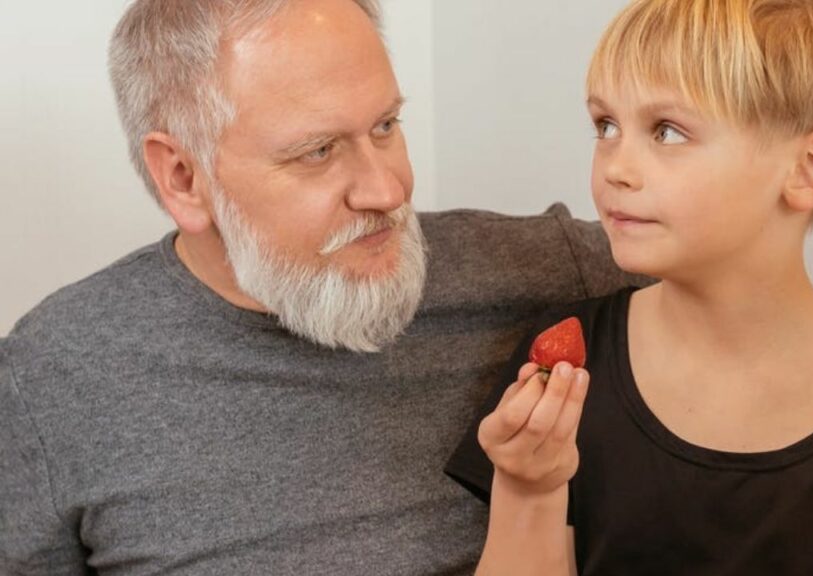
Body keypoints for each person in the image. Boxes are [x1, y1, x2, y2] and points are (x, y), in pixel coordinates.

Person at [0, 1, 644, 574]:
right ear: (182, 178)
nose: (389, 192)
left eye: (386, 126)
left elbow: (738, 259)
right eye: (317, 152)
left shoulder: (543, 270)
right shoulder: (52, 377)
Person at [445, 0, 813, 574]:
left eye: (667, 131)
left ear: (811, 169)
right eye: (606, 126)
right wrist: (529, 488)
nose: (615, 166)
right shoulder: (569, 363)